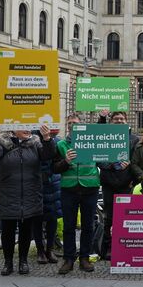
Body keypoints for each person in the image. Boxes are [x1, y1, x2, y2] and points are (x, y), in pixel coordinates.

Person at [0, 124, 56, 275]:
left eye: (30, 127)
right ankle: (8, 262)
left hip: (30, 195)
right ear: (13, 128)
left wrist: (47, 138)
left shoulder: (36, 143)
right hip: (7, 195)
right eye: (23, 126)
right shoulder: (4, 143)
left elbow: (49, 155)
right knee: (8, 231)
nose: (28, 129)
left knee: (25, 230)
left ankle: (23, 261)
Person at [53, 114, 100, 274]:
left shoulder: (93, 143)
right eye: (70, 123)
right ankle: (68, 259)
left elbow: (105, 154)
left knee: (88, 225)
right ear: (67, 126)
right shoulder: (60, 145)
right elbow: (54, 168)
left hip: (90, 188)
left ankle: (85, 258)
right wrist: (65, 161)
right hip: (69, 189)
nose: (73, 126)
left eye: (75, 123)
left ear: (82, 126)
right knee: (68, 226)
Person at [97, 111, 140, 261]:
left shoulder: (134, 139)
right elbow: (97, 157)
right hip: (108, 182)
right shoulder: (105, 136)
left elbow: (136, 161)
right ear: (111, 121)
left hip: (126, 183)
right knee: (109, 217)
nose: (119, 121)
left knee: (126, 217)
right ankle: (109, 247)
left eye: (122, 119)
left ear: (126, 121)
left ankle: (124, 246)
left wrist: (129, 166)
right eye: (116, 119)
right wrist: (112, 165)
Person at [34, 128, 62, 264]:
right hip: (36, 182)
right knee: (37, 218)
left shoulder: (57, 141)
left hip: (53, 182)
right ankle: (40, 250)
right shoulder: (33, 139)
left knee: (52, 218)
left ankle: (49, 249)